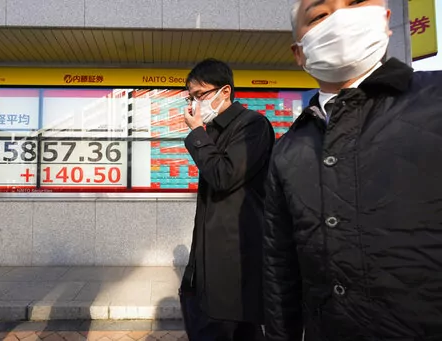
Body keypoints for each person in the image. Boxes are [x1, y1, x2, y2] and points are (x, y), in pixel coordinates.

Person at [262, 0, 442, 340]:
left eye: (355, 3)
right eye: (320, 15)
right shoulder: (289, 149)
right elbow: (279, 269)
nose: (341, 19)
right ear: (298, 52)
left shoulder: (435, 99)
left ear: (386, 21)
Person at [180, 58, 274, 341]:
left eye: (201, 95)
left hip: (237, 258)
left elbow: (223, 175)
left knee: (233, 327)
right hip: (209, 256)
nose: (195, 104)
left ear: (225, 91)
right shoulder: (214, 132)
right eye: (191, 97)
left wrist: (196, 133)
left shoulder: (253, 126)